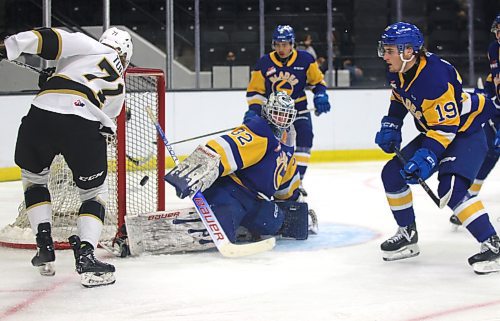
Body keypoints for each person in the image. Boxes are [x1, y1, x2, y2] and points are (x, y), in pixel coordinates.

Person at [0, 27, 133, 287]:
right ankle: (86, 254)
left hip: (41, 114)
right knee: (92, 194)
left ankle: (44, 243)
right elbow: (107, 125)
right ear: (126, 57)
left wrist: (10, 46)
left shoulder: (90, 45)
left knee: (34, 180)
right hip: (82, 125)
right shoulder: (120, 84)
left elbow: (51, 39)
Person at [375, 22, 500, 274]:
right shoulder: (397, 70)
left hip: (466, 131)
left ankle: (493, 244)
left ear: (408, 51)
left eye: (389, 50)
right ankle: (408, 234)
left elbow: (447, 129)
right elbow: (399, 96)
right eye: (384, 49)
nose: (384, 55)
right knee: (392, 174)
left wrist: (427, 157)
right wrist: (392, 123)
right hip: (438, 131)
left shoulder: (434, 78)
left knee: (451, 188)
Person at [165, 91, 317, 244]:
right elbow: (228, 146)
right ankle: (180, 229)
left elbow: (286, 183)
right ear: (268, 111)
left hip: (255, 200)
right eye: (277, 113)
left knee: (273, 222)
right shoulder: (259, 131)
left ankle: (239, 227)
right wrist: (201, 167)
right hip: (230, 191)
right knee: (225, 218)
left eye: (285, 115)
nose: (281, 118)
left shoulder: (288, 144)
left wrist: (296, 201)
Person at [245, 25, 331, 197]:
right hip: (273, 113)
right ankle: (263, 180)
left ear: (292, 44)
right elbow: (255, 91)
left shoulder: (305, 59)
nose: (281, 48)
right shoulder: (264, 63)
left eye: (285, 44)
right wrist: (254, 110)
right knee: (270, 144)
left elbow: (318, 82)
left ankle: (297, 181)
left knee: (306, 136)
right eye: (277, 44)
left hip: (298, 108)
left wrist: (320, 95)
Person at [449, 13, 500, 228]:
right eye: (497, 30)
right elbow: (493, 76)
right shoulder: (493, 48)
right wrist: (488, 93)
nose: (498, 34)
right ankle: (468, 198)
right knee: (488, 150)